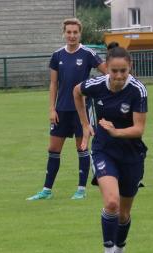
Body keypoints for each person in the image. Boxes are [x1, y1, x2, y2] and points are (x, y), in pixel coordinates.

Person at [73, 45, 148, 253]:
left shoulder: (138, 90)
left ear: (130, 68)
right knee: (112, 203)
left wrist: (116, 132)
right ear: (107, 68)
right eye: (114, 71)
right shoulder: (97, 85)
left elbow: (139, 129)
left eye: (123, 71)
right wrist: (86, 125)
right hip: (104, 150)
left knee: (124, 214)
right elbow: (77, 91)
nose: (117, 76)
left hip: (131, 154)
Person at [27, 18, 106, 201]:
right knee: (53, 149)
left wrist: (93, 90)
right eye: (68, 32)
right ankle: (46, 190)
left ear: (80, 33)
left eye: (75, 32)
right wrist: (51, 109)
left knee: (82, 148)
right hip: (61, 110)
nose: (72, 36)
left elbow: (108, 74)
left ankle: (81, 189)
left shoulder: (88, 54)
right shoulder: (57, 55)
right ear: (64, 33)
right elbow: (53, 84)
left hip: (81, 111)